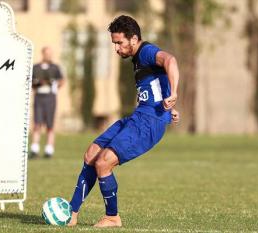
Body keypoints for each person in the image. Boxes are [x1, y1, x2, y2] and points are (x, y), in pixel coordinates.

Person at [67, 15, 180, 228]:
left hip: (148, 124)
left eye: (119, 43)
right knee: (92, 154)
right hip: (138, 117)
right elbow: (156, 86)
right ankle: (71, 212)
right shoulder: (138, 59)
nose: (117, 48)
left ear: (134, 39)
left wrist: (173, 93)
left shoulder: (146, 51)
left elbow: (170, 61)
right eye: (114, 43)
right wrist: (169, 106)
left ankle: (112, 217)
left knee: (103, 162)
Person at [29, 47, 64, 159]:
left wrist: (54, 84)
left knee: (50, 124)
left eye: (50, 54)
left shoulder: (55, 67)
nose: (48, 56)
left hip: (50, 97)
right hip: (39, 97)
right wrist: (37, 83)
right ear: (43, 54)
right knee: (37, 123)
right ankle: (34, 149)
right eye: (47, 54)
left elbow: (61, 80)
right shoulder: (35, 67)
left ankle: (49, 150)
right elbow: (30, 81)